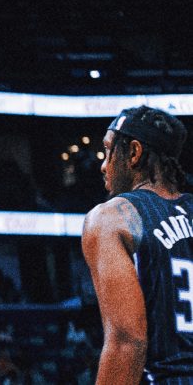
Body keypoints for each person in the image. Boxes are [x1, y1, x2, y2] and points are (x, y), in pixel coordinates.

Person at [82, 105, 192, 384]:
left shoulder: (111, 217)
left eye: (108, 151)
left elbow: (127, 341)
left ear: (133, 152)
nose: (104, 165)